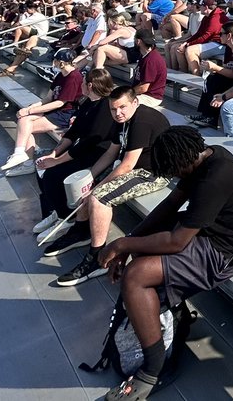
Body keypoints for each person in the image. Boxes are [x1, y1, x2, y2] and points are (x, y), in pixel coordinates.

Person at [98, 127, 233, 401]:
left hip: (229, 250)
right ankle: (176, 317)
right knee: (145, 250)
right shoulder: (205, 157)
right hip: (211, 234)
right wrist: (132, 238)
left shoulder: (215, 177)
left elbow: (176, 243)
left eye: (174, 171)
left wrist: (121, 245)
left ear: (184, 162)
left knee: (136, 276)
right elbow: (171, 204)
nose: (173, 176)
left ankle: (152, 371)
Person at [44, 87, 171, 285]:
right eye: (113, 109)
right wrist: (91, 176)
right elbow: (112, 152)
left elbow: (128, 164)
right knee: (88, 185)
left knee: (99, 198)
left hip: (152, 173)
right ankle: (80, 230)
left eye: (122, 107)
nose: (118, 113)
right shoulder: (122, 120)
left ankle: (97, 257)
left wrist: (96, 187)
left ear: (135, 103)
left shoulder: (142, 121)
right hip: (132, 167)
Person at [31, 68, 118, 237]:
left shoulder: (105, 107)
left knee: (52, 175)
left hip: (98, 154)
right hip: (82, 149)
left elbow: (90, 141)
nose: (81, 85)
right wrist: (54, 154)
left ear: (90, 85)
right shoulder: (88, 102)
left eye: (83, 83)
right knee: (42, 166)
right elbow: (73, 132)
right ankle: (55, 211)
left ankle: (66, 218)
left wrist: (58, 161)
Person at [0, 49, 84, 172]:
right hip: (55, 110)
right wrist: (29, 109)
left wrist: (29, 112)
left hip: (65, 114)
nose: (53, 63)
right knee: (24, 121)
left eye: (55, 61)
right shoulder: (61, 75)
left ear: (61, 62)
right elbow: (48, 98)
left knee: (26, 126)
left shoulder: (74, 77)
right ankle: (21, 156)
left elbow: (60, 102)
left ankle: (25, 160)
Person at [131, 30, 168, 108]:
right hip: (145, 94)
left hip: (151, 97)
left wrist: (128, 93)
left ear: (138, 41)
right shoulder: (145, 55)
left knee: (123, 103)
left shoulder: (151, 60)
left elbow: (143, 88)